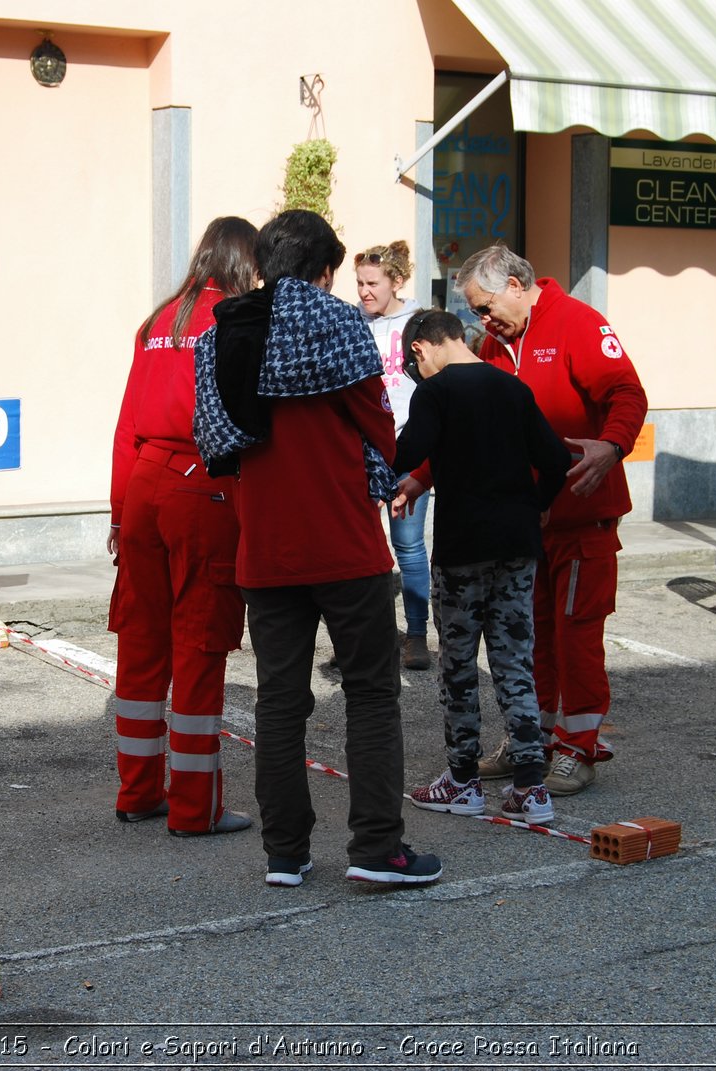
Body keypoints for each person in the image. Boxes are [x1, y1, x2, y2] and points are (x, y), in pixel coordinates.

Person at [194, 209, 442, 888]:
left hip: (264, 549)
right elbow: (376, 419)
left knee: (279, 702)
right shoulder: (336, 322)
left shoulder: (222, 334)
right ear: (325, 269)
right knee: (369, 694)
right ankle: (376, 848)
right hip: (343, 542)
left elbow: (214, 442)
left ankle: (286, 853)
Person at [454, 243, 648, 796]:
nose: (482, 320)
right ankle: (529, 741)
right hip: (525, 525)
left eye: (485, 306)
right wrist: (422, 471)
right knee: (526, 640)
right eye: (474, 312)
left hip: (583, 521)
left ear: (516, 284)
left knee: (576, 639)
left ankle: (578, 749)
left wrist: (611, 447)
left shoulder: (579, 324)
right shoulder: (496, 344)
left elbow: (627, 393)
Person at [107, 215, 260, 837]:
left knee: (141, 642)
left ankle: (137, 792)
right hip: (204, 486)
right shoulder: (236, 320)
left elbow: (126, 425)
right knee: (199, 641)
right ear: (243, 262)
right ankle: (196, 809)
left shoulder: (157, 322)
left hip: (143, 482)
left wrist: (118, 511)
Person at [389, 309, 571, 824]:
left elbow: (407, 451)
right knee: (515, 660)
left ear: (423, 348)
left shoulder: (436, 392)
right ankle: (532, 788)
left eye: (412, 362)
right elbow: (556, 459)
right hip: (517, 543)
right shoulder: (512, 388)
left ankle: (463, 781)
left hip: (463, 545)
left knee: (460, 664)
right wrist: (536, 503)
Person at [353, 242, 429, 670]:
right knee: (362, 545)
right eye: (359, 283)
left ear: (396, 282)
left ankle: (416, 635)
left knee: (409, 546)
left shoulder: (419, 324)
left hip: (408, 450)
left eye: (372, 283)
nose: (364, 292)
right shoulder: (351, 323)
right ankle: (371, 636)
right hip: (363, 452)